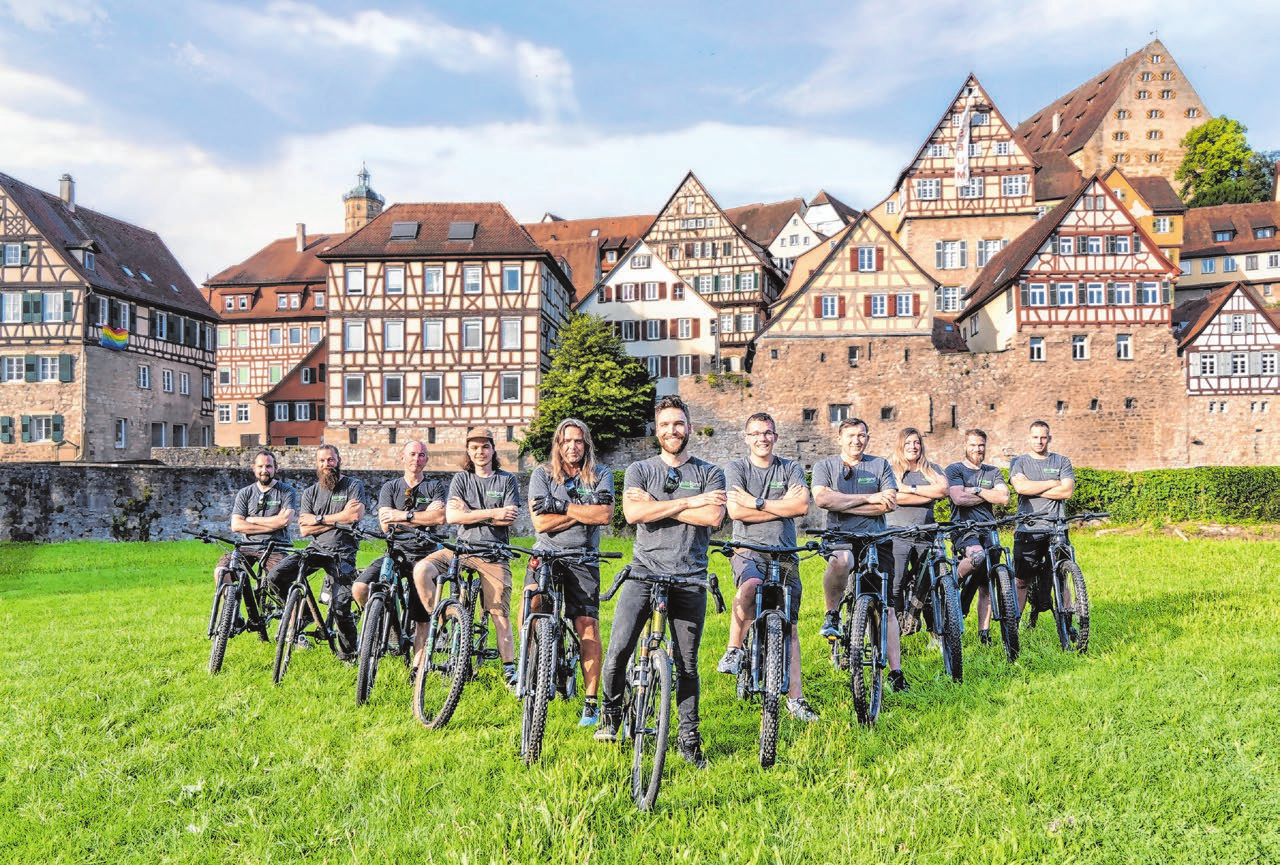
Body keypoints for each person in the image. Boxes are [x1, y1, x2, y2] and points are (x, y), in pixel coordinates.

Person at [596, 395, 726, 768]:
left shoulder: (710, 472)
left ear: (689, 426)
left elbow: (714, 515)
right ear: (657, 430)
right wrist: (690, 502)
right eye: (665, 424)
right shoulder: (640, 469)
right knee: (618, 652)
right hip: (643, 573)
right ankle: (611, 711)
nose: (672, 430)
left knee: (686, 665)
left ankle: (688, 737)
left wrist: (664, 505)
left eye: (678, 423)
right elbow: (635, 512)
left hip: (690, 577)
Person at [715, 412, 818, 722]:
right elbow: (734, 510)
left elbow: (800, 507)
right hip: (748, 548)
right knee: (749, 587)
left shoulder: (791, 468)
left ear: (776, 437)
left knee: (791, 626)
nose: (762, 437)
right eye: (756, 433)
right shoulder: (736, 468)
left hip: (785, 551)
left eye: (768, 432)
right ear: (747, 438)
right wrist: (778, 508)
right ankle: (734, 648)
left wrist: (756, 503)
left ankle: (796, 699)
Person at [527, 419, 615, 728]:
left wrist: (559, 506)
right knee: (534, 603)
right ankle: (529, 668)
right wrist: (581, 509)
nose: (572, 446)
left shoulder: (601, 474)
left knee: (587, 625)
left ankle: (591, 703)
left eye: (578, 441)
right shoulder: (542, 475)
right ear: (558, 445)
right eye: (566, 441)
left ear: (586, 444)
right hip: (547, 553)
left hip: (583, 557)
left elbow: (604, 514)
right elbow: (540, 524)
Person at [418, 427, 521, 686]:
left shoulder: (506, 480)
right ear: (468, 451)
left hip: (494, 553)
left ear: (493, 449)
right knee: (422, 571)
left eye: (485, 447)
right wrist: (491, 513)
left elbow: (508, 517)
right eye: (474, 447)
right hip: (461, 549)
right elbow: (452, 517)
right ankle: (443, 622)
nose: (480, 452)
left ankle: (509, 670)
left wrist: (471, 512)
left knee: (499, 613)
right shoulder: (461, 479)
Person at [811, 419, 909, 692]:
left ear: (868, 437)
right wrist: (869, 499)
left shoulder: (880, 465)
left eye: (862, 435)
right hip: (840, 536)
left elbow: (889, 503)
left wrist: (843, 501)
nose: (857, 440)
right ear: (840, 438)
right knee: (842, 560)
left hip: (877, 539)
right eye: (851, 435)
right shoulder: (825, 466)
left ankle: (896, 672)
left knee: (886, 606)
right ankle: (832, 615)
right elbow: (822, 500)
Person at [353, 440, 447, 672]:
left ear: (427, 459)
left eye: (422, 455)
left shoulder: (435, 487)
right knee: (360, 588)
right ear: (402, 458)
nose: (417, 459)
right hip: (395, 551)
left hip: (424, 554)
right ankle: (389, 625)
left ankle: (417, 668)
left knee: (421, 617)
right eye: (412, 454)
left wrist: (401, 515)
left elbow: (438, 518)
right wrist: (418, 516)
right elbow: (386, 526)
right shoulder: (390, 487)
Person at [268, 444, 366, 658]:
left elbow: (354, 517)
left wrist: (319, 520)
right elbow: (304, 529)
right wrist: (338, 519)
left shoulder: (353, 486)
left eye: (330, 460)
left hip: (343, 552)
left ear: (338, 460)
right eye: (322, 461)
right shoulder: (311, 492)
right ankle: (303, 615)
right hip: (316, 548)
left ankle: (349, 653)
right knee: (275, 576)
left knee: (341, 606)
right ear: (317, 464)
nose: (327, 465)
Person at [944, 429, 1011, 646]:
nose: (977, 449)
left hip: (989, 529)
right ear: (965, 445)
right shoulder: (954, 469)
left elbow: (1003, 497)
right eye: (973, 445)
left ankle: (984, 633)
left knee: (988, 581)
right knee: (977, 556)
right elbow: (958, 498)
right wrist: (985, 494)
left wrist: (976, 490)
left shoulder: (993, 471)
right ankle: (954, 579)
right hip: (964, 529)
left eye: (981, 445)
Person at [1009, 420, 1076, 621]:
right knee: (1021, 581)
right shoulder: (1019, 462)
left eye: (1043, 437)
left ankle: (1068, 622)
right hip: (1028, 529)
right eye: (1035, 437)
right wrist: (1051, 483)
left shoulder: (1062, 461)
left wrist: (1035, 486)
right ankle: (1015, 627)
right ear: (1029, 438)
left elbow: (1067, 491)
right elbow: (1021, 488)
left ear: (1049, 438)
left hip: (1057, 527)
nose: (1039, 441)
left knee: (1062, 576)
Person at [885, 428, 949, 635]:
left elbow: (942, 491)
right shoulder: (890, 469)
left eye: (916, 442)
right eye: (908, 443)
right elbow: (893, 497)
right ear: (900, 446)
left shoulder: (932, 469)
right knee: (897, 582)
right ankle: (898, 626)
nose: (913, 447)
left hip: (925, 534)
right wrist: (926, 494)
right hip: (897, 533)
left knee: (930, 583)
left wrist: (908, 489)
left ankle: (934, 632)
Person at [215, 449, 296, 589]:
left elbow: (284, 521)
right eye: (260, 466)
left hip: (276, 547)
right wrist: (273, 523)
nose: (264, 470)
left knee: (280, 581)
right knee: (221, 572)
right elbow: (236, 525)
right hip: (247, 547)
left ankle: (293, 611)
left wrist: (251, 520)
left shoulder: (287, 491)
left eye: (268, 466)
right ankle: (230, 609)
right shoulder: (245, 493)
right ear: (254, 468)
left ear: (276, 468)